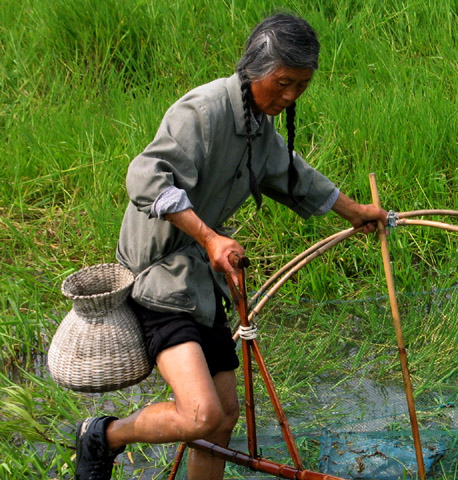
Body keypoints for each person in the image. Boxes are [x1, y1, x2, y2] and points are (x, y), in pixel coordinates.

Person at [74, 12, 387, 480]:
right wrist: (211, 236)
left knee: (222, 421)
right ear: (254, 69)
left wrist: (354, 211)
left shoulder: (259, 126)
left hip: (200, 281)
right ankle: (103, 436)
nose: (290, 96)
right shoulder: (203, 111)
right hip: (157, 278)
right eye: (283, 82)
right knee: (201, 415)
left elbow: (290, 173)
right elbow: (145, 177)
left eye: (301, 86)